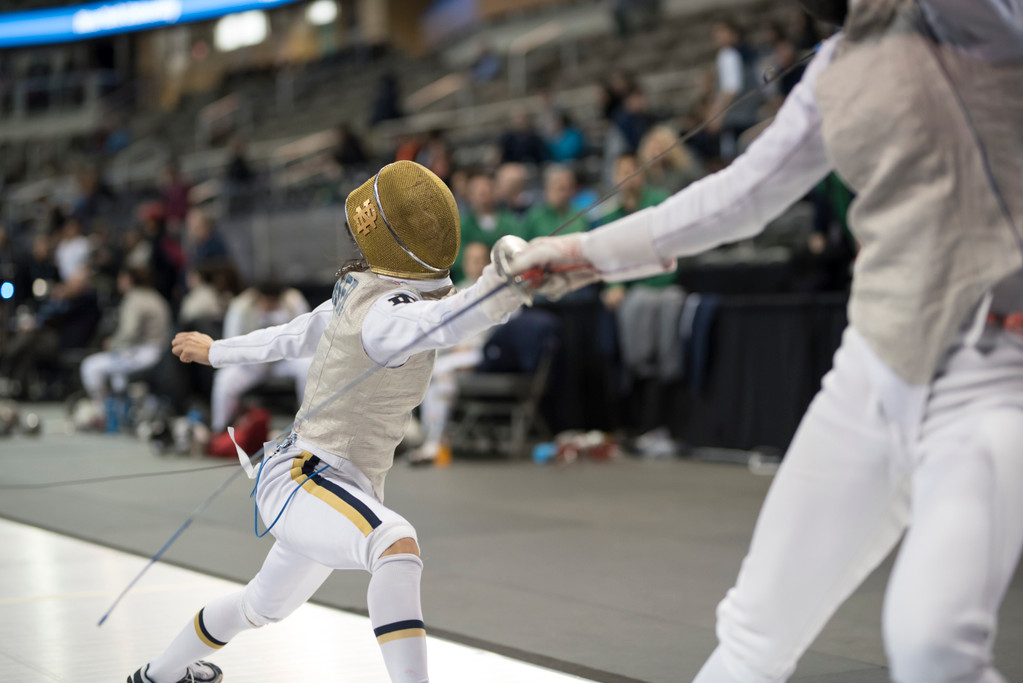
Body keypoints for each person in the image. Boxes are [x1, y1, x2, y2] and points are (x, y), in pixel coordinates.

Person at [508, 2, 1023, 681]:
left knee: (933, 648)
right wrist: (584, 251)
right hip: (870, 364)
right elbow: (736, 197)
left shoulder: (980, 18)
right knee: (754, 631)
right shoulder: (834, 66)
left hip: (986, 372)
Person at [129, 161, 537, 683]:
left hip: (337, 481)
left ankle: (156, 676)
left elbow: (429, 315)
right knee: (394, 545)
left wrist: (507, 285)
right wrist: (217, 352)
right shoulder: (385, 306)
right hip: (307, 478)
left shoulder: (382, 293)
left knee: (260, 606)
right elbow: (430, 322)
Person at [209, 282, 312, 433]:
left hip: (283, 361)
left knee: (309, 367)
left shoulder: (294, 301)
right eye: (267, 302)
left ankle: (307, 426)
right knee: (224, 380)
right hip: (253, 364)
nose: (270, 306)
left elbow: (306, 335)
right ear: (258, 297)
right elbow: (231, 341)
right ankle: (219, 429)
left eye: (274, 302)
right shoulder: (241, 307)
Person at [80, 267, 171, 407]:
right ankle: (124, 410)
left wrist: (112, 344)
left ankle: (105, 411)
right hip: (160, 352)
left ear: (129, 279)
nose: (118, 282)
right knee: (118, 373)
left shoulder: (134, 298)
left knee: (90, 366)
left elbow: (130, 332)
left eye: (121, 278)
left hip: (143, 353)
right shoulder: (155, 296)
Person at [454, 172, 523, 280]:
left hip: (504, 277)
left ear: (495, 193)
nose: (483, 194)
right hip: (469, 281)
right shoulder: (463, 224)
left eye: (487, 190)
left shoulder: (509, 221)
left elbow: (517, 249)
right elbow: (458, 259)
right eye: (478, 191)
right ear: (469, 195)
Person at [521, 164, 589, 240]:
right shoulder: (534, 217)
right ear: (548, 188)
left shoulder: (580, 217)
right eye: (561, 189)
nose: (565, 194)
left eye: (569, 188)